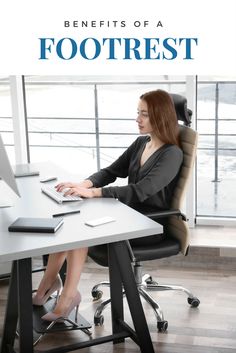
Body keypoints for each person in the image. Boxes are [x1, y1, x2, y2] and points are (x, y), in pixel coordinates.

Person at [32, 89, 183, 322]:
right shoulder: (142, 143)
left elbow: (140, 191)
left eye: (144, 114)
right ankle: (48, 285)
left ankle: (68, 298)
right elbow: (112, 171)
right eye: (138, 112)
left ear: (160, 116)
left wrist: (93, 193)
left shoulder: (172, 154)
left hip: (149, 226)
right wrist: (84, 183)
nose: (137, 119)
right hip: (129, 215)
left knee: (79, 233)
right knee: (67, 222)